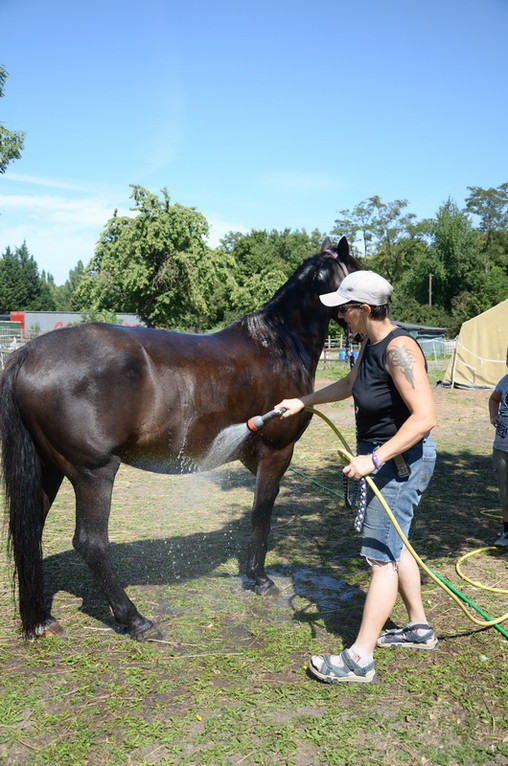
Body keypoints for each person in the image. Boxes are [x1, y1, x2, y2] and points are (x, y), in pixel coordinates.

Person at [275, 270, 437, 684]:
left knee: (379, 557)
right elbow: (350, 384)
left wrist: (374, 458)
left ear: (365, 309)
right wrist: (303, 401)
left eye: (345, 311)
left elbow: (425, 418)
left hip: (401, 463)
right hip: (386, 460)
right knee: (396, 547)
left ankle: (360, 659)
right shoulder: (370, 342)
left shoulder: (399, 348)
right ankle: (418, 627)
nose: (341, 318)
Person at [489, 348, 508, 547]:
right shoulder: (505, 381)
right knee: (505, 492)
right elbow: (494, 398)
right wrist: (493, 415)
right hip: (502, 447)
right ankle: (507, 532)